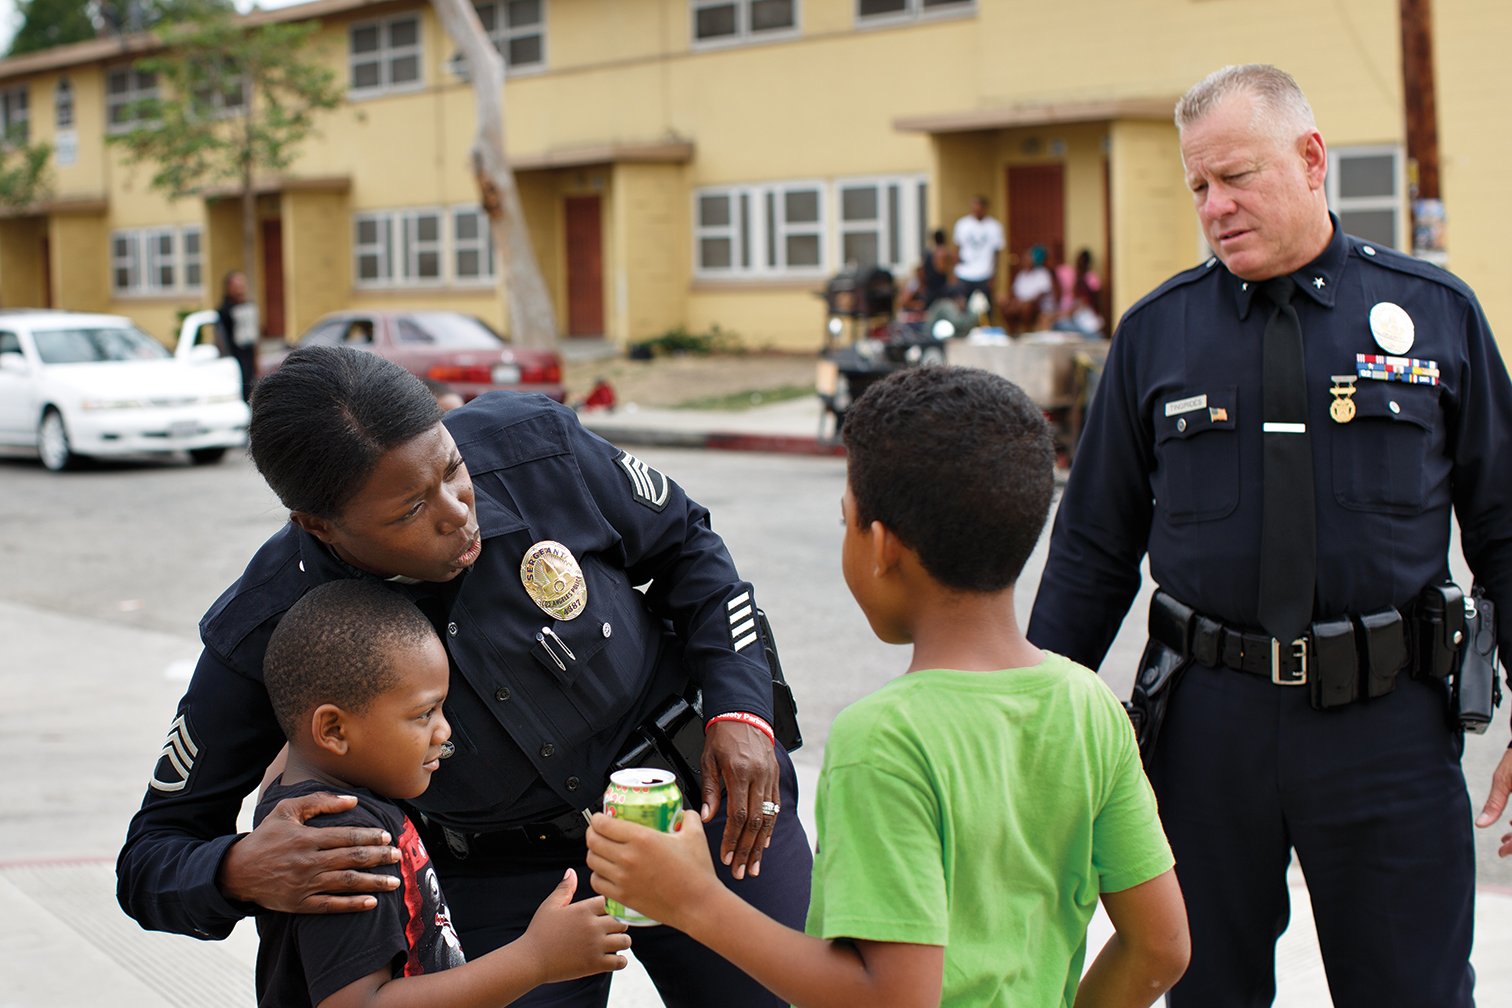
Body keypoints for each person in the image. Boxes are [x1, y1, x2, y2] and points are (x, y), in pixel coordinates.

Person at [116, 344, 814, 1008]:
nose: (457, 514)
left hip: (700, 808)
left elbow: (692, 549)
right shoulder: (270, 627)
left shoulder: (537, 449)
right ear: (319, 526)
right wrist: (239, 870)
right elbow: (151, 856)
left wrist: (740, 709)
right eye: (409, 511)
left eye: (451, 470)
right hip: (500, 886)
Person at [1027, 63, 1512, 1007]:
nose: (1216, 206)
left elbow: (1503, 524)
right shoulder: (1157, 335)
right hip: (1208, 731)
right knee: (1207, 990)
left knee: (1413, 990)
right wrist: (1029, 726)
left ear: (1311, 158)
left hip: (1388, 727)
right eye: (1199, 185)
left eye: (1237, 176)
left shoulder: (1433, 315)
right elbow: (1092, 553)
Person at [587, 366, 1190, 1007]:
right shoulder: (1089, 705)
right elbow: (1161, 948)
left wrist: (695, 902)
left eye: (846, 519)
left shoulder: (883, 740)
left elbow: (893, 1000)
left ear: (880, 546)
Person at [256, 578, 629, 1006]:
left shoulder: (299, 804)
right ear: (335, 730)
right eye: (423, 714)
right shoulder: (342, 844)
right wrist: (535, 959)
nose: (444, 730)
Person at [950, 196, 1003, 315]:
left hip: (984, 273)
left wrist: (994, 275)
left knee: (985, 308)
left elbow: (996, 253)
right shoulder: (962, 224)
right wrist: (954, 272)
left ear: (985, 209)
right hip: (964, 273)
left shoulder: (994, 226)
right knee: (963, 307)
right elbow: (956, 249)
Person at [215, 269, 259, 403]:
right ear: (229, 287)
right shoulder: (224, 310)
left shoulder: (248, 305)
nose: (241, 289)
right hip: (234, 355)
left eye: (242, 285)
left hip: (248, 353)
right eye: (237, 285)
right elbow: (221, 338)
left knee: (249, 385)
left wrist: (257, 356)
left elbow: (254, 334)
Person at [999, 244, 1057, 335]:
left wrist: (1024, 303)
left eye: (1028, 258)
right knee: (1005, 305)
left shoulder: (1042, 273)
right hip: (1021, 304)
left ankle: (1026, 332)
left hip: (1037, 307)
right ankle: (1012, 332)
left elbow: (1039, 296)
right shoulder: (1021, 275)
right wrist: (1013, 302)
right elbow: (1014, 292)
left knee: (1027, 307)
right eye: (1024, 258)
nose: (1025, 260)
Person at [1051, 248, 1106, 337]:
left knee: (1059, 326)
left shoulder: (1090, 280)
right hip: (1081, 322)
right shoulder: (1076, 279)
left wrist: (1053, 317)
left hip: (1089, 327)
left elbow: (1072, 311)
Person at [919, 228, 957, 308]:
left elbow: (921, 271)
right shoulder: (945, 253)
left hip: (930, 288)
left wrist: (923, 285)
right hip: (941, 289)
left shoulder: (928, 253)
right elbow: (943, 269)